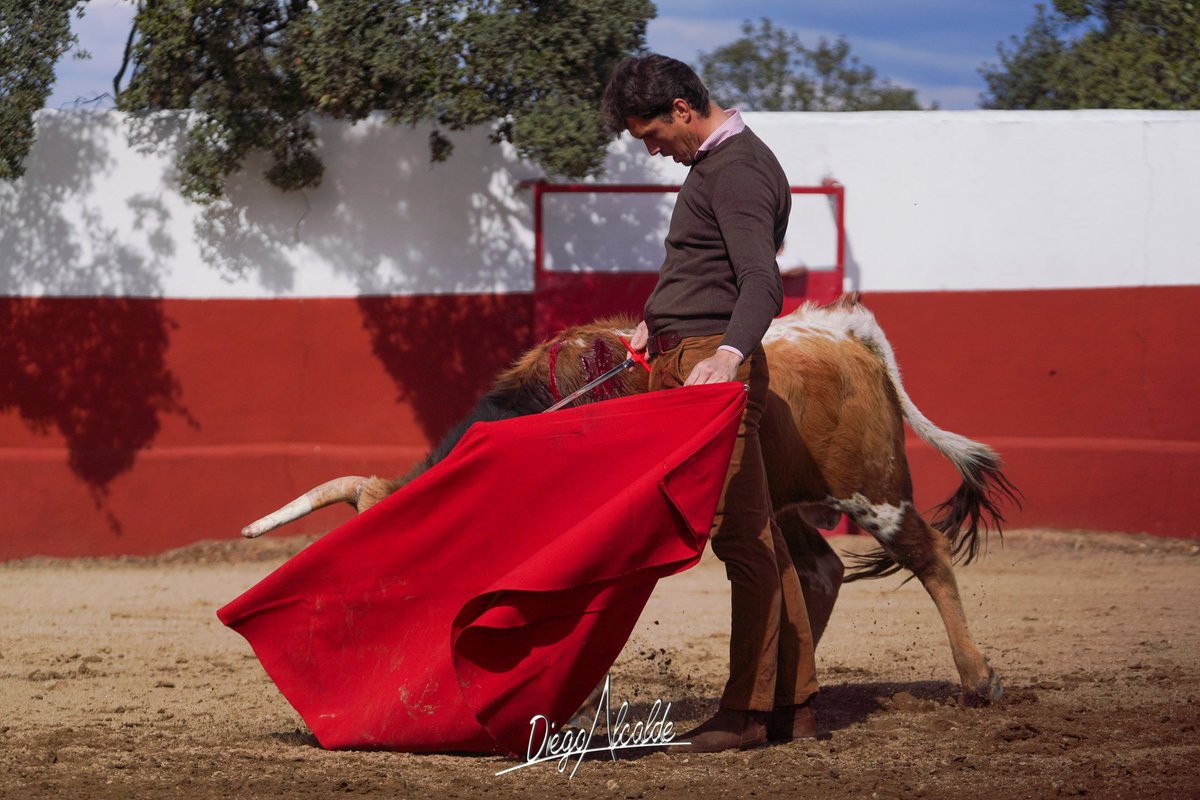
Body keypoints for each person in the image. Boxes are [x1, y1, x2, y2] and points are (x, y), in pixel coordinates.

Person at [601, 54, 818, 753]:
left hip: (707, 367)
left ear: (682, 109)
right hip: (684, 352)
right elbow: (705, 265)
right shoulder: (717, 167)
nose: (654, 151)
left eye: (653, 136)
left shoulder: (738, 169)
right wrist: (652, 319)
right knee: (757, 538)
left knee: (741, 541)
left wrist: (726, 357)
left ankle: (749, 715)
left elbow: (760, 280)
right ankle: (793, 705)